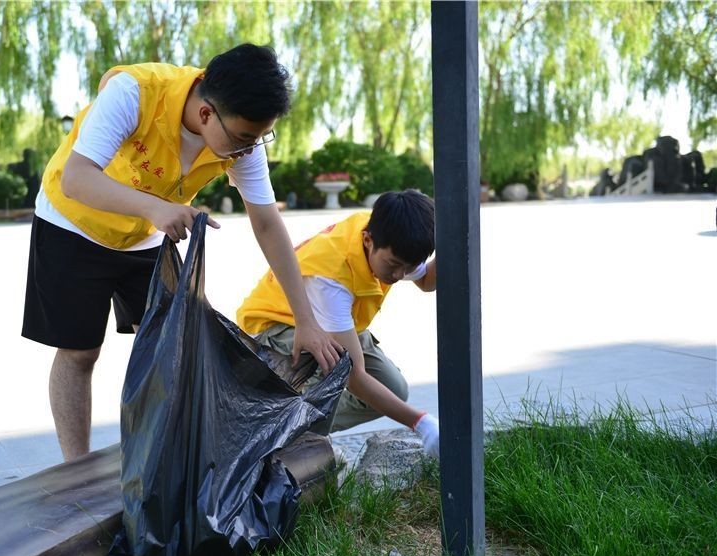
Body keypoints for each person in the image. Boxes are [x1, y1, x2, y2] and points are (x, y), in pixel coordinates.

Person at [22, 44, 342, 461]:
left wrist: (307, 320)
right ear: (207, 114)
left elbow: (267, 222)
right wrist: (154, 207)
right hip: (74, 224)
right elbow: (77, 179)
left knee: (172, 351)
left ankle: (157, 462)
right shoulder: (134, 92)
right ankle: (74, 468)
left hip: (147, 236)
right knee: (80, 351)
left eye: (259, 138)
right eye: (245, 138)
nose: (249, 149)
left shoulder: (239, 138)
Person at [236, 190, 441, 458]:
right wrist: (422, 423)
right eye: (394, 265)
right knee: (330, 363)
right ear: (369, 241)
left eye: (408, 266)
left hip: (331, 322)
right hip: (275, 325)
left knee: (393, 389)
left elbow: (426, 281)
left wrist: (455, 238)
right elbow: (353, 377)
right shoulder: (332, 278)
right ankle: (305, 450)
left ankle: (289, 422)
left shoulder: (392, 235)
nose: (400, 275)